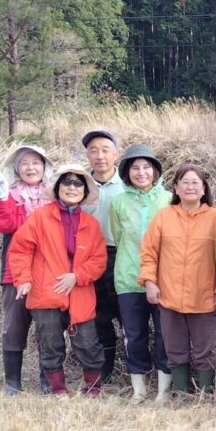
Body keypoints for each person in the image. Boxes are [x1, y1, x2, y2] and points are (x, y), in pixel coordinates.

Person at [8, 165, 108, 396]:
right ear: (57, 188)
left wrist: (77, 276)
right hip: (46, 290)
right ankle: (58, 391)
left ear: (84, 191)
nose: (72, 187)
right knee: (50, 344)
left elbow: (98, 260)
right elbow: (21, 249)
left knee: (88, 343)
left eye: (78, 183)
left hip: (80, 292)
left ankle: (93, 390)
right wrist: (23, 279)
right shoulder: (40, 217)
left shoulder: (91, 224)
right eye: (67, 182)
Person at [140, 165, 216, 397]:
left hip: (205, 297)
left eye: (195, 182)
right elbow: (149, 253)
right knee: (175, 349)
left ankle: (205, 394)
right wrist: (149, 281)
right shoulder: (164, 216)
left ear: (204, 189)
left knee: (204, 350)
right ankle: (180, 393)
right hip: (169, 295)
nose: (190, 187)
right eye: (184, 182)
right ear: (176, 189)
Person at [110, 144, 173, 403]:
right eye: (135, 168)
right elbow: (119, 237)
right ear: (127, 172)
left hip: (163, 279)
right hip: (128, 278)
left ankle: (163, 390)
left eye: (146, 167)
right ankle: (139, 389)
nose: (141, 172)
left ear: (155, 171)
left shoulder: (169, 200)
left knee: (164, 334)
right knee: (134, 335)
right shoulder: (118, 202)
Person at [0, 145, 53, 395]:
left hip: (48, 271)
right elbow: (6, 225)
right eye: (24, 163)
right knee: (14, 325)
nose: (30, 168)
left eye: (36, 162)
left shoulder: (55, 196)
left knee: (49, 325)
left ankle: (48, 378)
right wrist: (2, 199)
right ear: (17, 169)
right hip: (14, 272)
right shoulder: (10, 196)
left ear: (45, 167)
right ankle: (13, 382)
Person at [81, 130, 127, 384]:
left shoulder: (127, 184)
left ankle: (136, 370)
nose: (100, 156)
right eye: (93, 150)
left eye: (105, 150)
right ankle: (105, 369)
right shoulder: (79, 185)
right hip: (88, 258)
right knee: (99, 317)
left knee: (127, 313)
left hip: (120, 254)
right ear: (87, 155)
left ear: (115, 154)